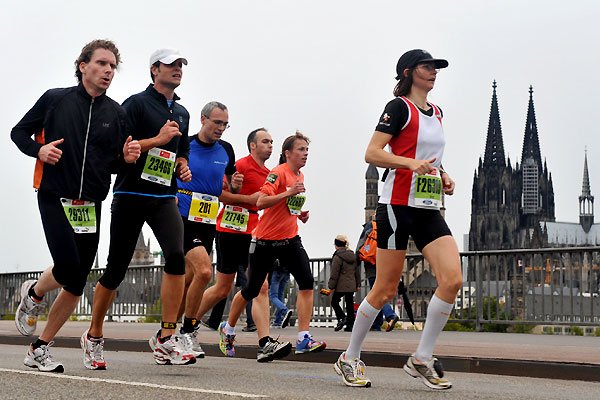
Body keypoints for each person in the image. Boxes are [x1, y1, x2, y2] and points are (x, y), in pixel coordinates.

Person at [11, 40, 141, 373]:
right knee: (68, 265)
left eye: (113, 66)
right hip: (54, 193)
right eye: (101, 63)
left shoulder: (117, 114)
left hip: (91, 202)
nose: (108, 71)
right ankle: (35, 292)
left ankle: (39, 348)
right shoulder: (56, 99)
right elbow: (19, 132)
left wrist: (125, 160)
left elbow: (113, 164)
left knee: (76, 280)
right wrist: (38, 150)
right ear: (83, 65)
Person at [334, 49, 461, 390]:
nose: (434, 72)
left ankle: (422, 356)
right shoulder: (398, 108)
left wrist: (443, 175)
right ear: (408, 72)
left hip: (428, 206)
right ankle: (350, 356)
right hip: (395, 205)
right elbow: (372, 153)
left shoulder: (437, 112)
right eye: (427, 66)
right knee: (386, 288)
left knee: (453, 279)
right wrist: (408, 164)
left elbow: (429, 158)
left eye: (436, 67)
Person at [81, 48, 195, 368]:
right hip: (131, 193)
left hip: (163, 197)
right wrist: (156, 139)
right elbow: (121, 149)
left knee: (176, 257)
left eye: (180, 66)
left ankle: (166, 337)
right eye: (171, 65)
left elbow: (181, 151)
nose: (177, 70)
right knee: (116, 269)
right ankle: (94, 335)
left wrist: (182, 165)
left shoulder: (183, 113)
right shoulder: (135, 104)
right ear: (154, 70)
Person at [220, 131, 326, 358]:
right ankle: (227, 329)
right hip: (265, 242)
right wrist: (288, 192)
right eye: (300, 150)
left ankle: (303, 338)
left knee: (307, 282)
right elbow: (260, 202)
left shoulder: (300, 176)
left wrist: (300, 213)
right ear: (287, 153)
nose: (305, 154)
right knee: (251, 290)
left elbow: (287, 206)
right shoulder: (278, 173)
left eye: (307, 150)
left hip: (290, 240)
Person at [198, 128, 291, 362]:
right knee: (222, 287)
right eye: (265, 142)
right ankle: (188, 326)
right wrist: (248, 200)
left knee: (260, 286)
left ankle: (264, 342)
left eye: (272, 141)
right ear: (252, 146)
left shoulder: (271, 174)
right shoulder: (239, 166)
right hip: (229, 230)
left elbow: (270, 203)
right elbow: (220, 194)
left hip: (255, 234)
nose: (270, 146)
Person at [163, 101, 237, 357]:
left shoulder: (226, 150)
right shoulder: (186, 145)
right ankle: (187, 331)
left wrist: (235, 184)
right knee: (205, 271)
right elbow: (167, 173)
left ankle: (166, 334)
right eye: (217, 122)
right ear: (203, 119)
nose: (221, 128)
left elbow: (229, 184)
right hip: (182, 215)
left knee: (190, 280)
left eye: (225, 124)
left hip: (207, 219)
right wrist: (170, 195)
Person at [356, 220, 399, 332]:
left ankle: (390, 315)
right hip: (385, 263)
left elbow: (360, 245)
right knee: (378, 292)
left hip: (372, 264)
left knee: (376, 294)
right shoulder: (389, 225)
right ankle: (376, 324)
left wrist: (357, 258)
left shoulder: (371, 226)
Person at [328, 235, 360, 332]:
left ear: (336, 245)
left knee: (334, 301)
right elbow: (356, 271)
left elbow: (334, 273)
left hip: (341, 285)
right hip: (351, 284)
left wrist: (331, 286)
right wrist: (358, 284)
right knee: (349, 304)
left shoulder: (338, 256)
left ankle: (342, 317)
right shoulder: (353, 255)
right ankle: (350, 325)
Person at [269, 259, 293, 328]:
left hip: (277, 270)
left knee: (273, 296)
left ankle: (285, 311)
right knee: (280, 296)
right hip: (286, 271)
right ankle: (278, 321)